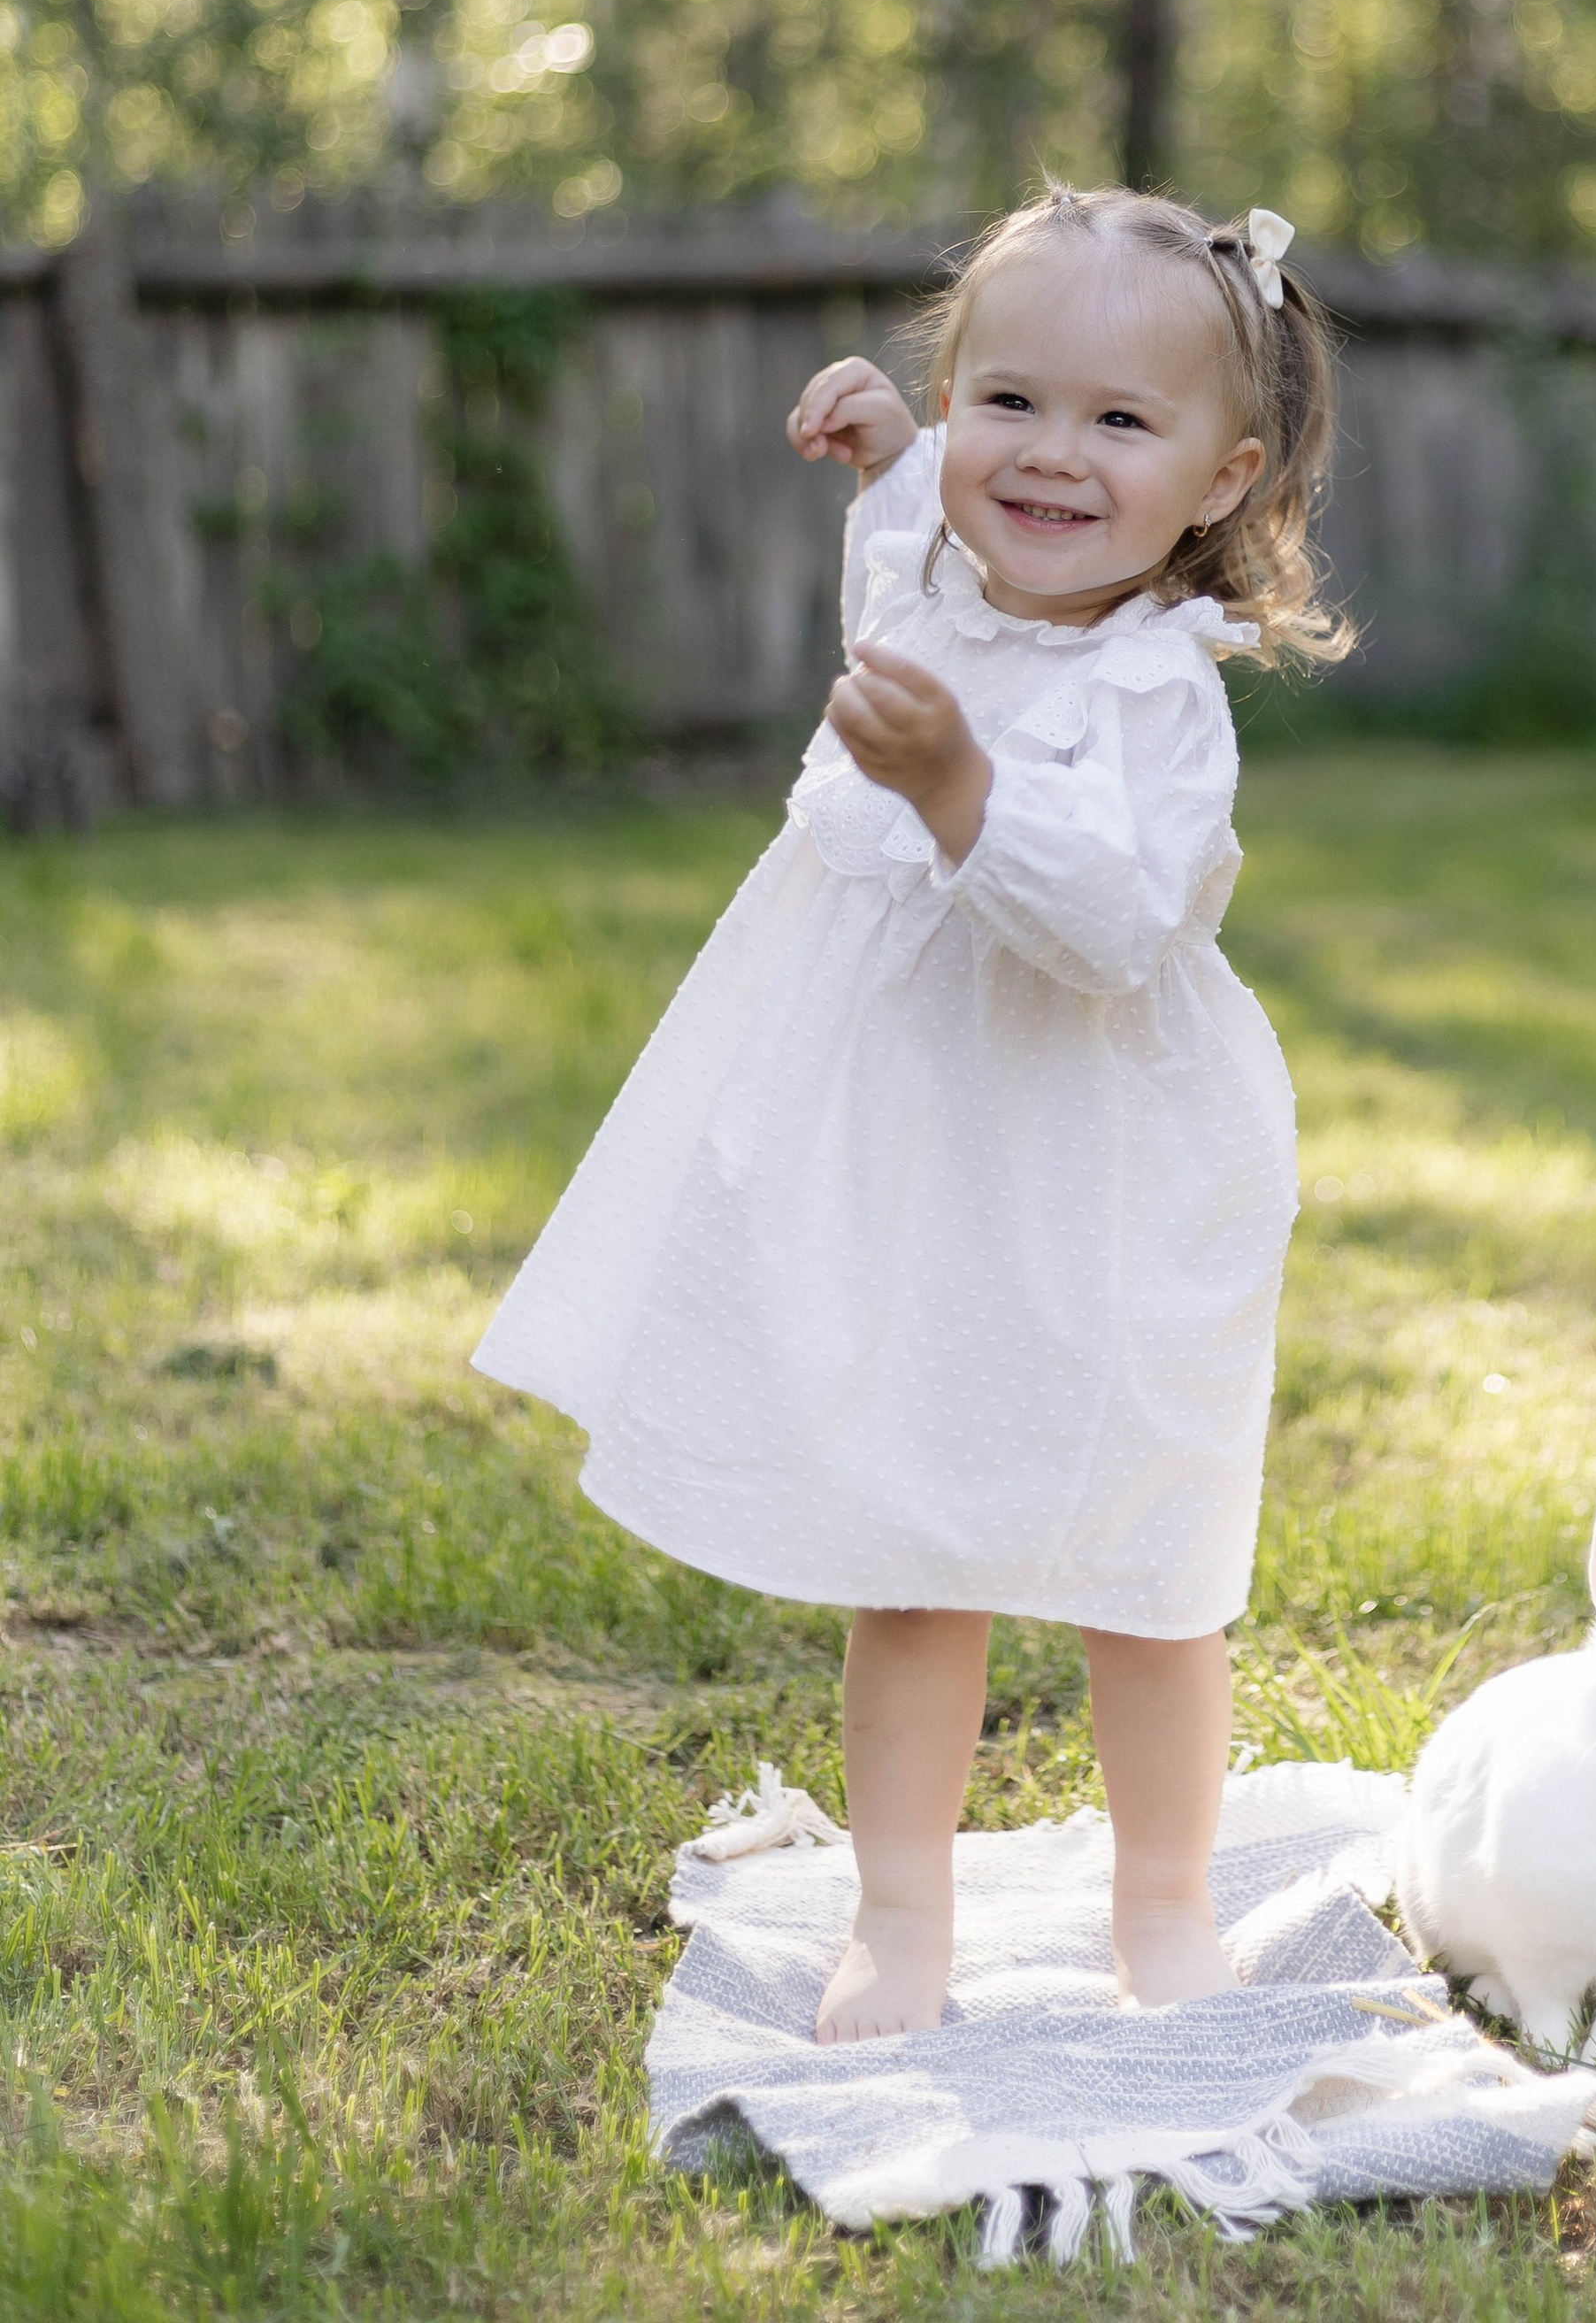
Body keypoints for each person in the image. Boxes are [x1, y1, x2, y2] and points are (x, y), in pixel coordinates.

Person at [471, 184, 1347, 2041]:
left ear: (1220, 475)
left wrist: (960, 792)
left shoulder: (1152, 698)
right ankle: (901, 1918)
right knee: (906, 1539)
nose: (1047, 455)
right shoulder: (942, 565)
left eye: (1118, 422)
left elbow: (1108, 928)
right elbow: (910, 564)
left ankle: (1166, 1905)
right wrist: (887, 454)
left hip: (1102, 1172)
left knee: (1144, 1557)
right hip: (910, 1171)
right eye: (1006, 401)